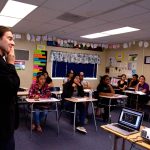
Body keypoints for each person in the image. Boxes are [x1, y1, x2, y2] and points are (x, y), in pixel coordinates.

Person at [0, 26, 20, 150]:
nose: (13, 42)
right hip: (2, 126)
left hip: (6, 123)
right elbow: (12, 87)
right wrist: (11, 64)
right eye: (9, 38)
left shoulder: (2, 61)